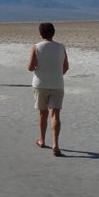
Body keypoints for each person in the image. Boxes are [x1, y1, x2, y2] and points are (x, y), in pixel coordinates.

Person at [27, 22, 69, 156]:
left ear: (41, 33)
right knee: (55, 114)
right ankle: (56, 145)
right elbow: (66, 67)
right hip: (57, 84)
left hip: (40, 84)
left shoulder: (36, 47)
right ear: (53, 32)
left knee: (43, 113)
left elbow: (30, 67)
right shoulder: (61, 47)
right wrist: (56, 74)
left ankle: (42, 140)